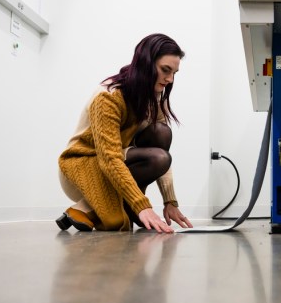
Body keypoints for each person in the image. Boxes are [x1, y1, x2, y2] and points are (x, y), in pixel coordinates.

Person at [56, 33, 193, 233]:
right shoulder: (108, 97)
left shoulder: (154, 98)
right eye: (165, 70)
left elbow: (162, 155)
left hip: (114, 160)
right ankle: (89, 206)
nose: (170, 79)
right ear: (146, 63)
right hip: (82, 165)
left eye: (174, 73)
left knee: (161, 133)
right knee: (115, 222)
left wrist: (170, 201)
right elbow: (109, 158)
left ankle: (95, 208)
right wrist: (142, 205)